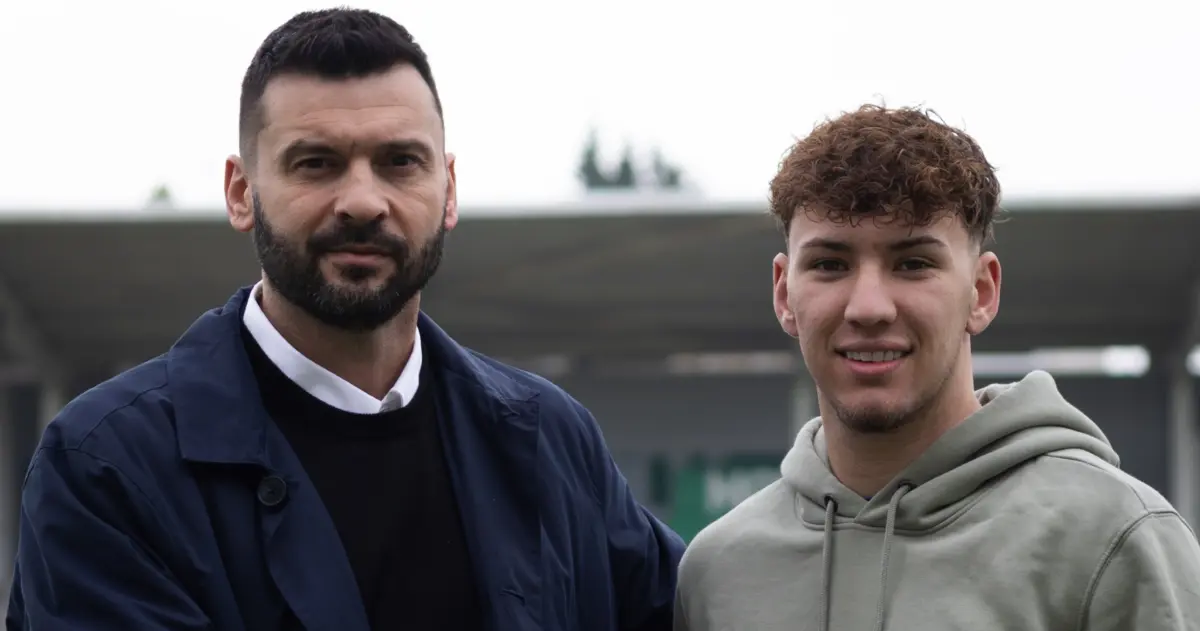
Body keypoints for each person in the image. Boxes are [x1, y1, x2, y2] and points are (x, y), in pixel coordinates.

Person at [5, 8, 683, 631]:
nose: (362, 201)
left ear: (448, 190)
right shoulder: (107, 465)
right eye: (317, 163)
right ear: (241, 193)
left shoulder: (548, 440)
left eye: (400, 162)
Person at [673, 105, 1200, 630]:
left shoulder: (1112, 540)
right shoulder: (718, 574)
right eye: (830, 264)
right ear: (784, 294)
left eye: (913, 264)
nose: (869, 307)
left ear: (981, 292)